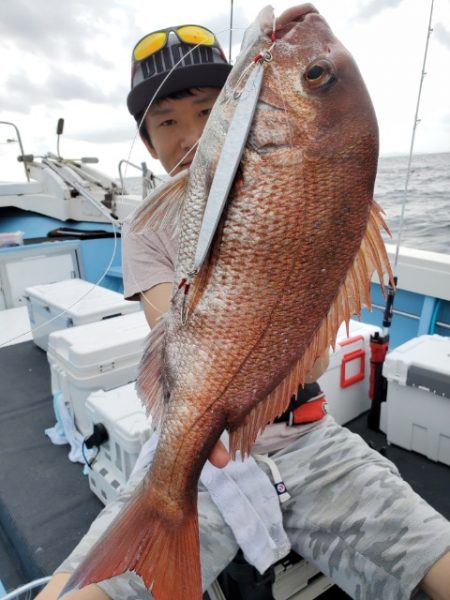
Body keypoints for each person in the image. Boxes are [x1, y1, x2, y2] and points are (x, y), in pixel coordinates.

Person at [37, 22, 450, 600]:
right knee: (81, 592)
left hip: (307, 436)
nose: (191, 135)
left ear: (244, 110)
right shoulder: (148, 227)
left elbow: (309, 363)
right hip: (191, 449)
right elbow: (175, 349)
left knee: (434, 551)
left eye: (209, 112)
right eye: (167, 123)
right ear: (148, 144)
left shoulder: (292, 190)